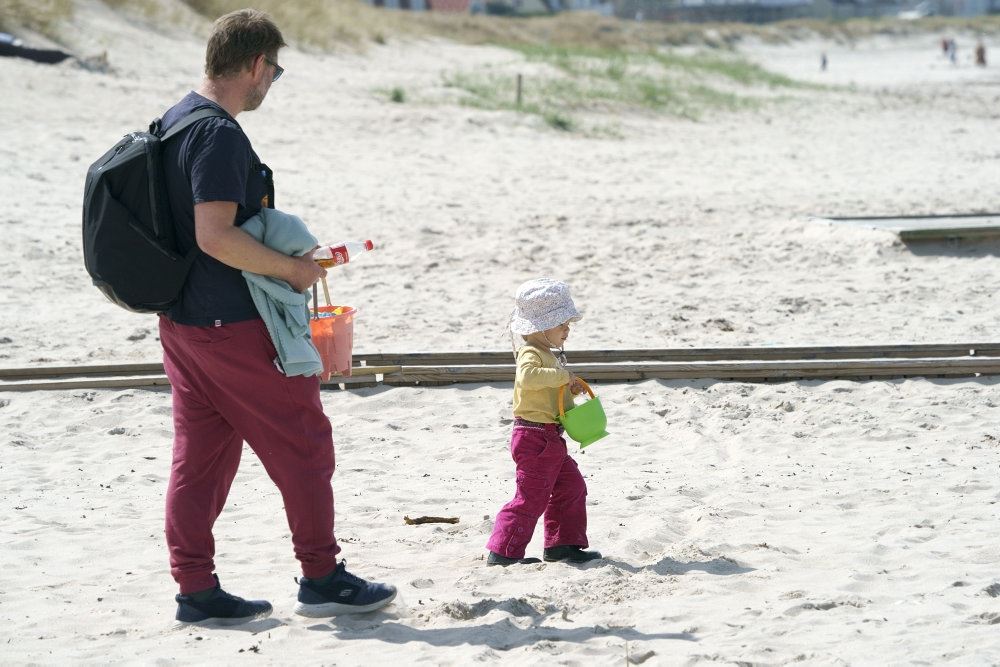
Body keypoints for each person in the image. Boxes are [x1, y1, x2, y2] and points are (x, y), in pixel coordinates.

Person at [156, 8, 396, 625]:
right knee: (305, 442)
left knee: (201, 455)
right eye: (275, 72)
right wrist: (292, 270)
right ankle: (321, 577)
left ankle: (197, 591)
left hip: (183, 323)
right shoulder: (217, 133)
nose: (271, 84)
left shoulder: (173, 120)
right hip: (230, 324)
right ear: (257, 65)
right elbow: (215, 235)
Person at [485, 278, 602, 566]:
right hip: (534, 437)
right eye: (561, 322)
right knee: (531, 497)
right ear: (539, 326)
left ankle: (562, 544)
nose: (567, 328)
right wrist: (563, 376)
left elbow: (547, 391)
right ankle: (503, 553)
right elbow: (528, 378)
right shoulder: (530, 353)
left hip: (549, 437)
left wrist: (568, 389)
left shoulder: (547, 354)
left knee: (571, 486)